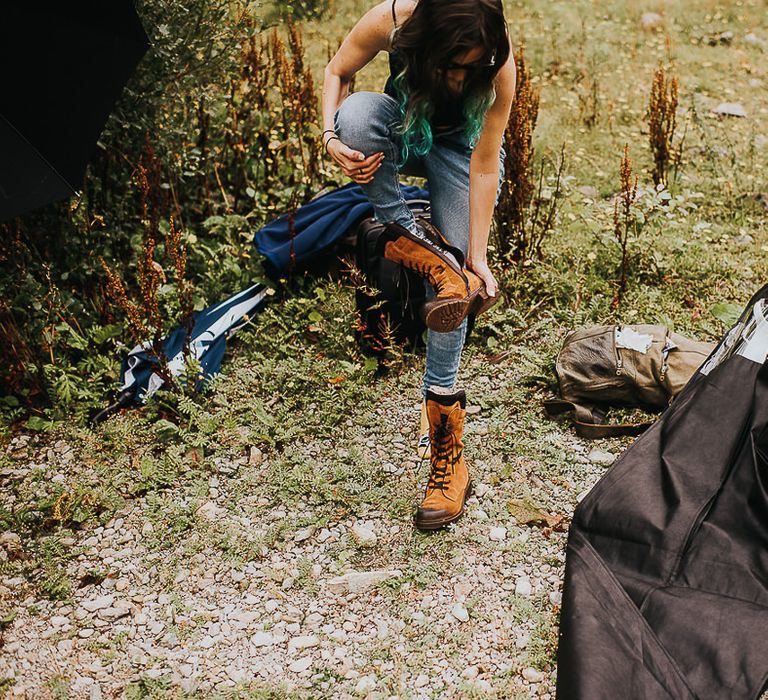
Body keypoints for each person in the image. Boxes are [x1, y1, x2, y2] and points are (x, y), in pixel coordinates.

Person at [321, 0, 516, 529]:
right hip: (405, 131)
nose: (461, 76)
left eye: (472, 67)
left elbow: (483, 164)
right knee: (358, 115)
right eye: (453, 63)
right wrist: (330, 137)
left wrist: (475, 256)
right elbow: (338, 71)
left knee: (455, 285)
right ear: (428, 41)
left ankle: (447, 462)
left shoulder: (499, 63)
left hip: (461, 151)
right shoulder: (395, 19)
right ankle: (405, 233)